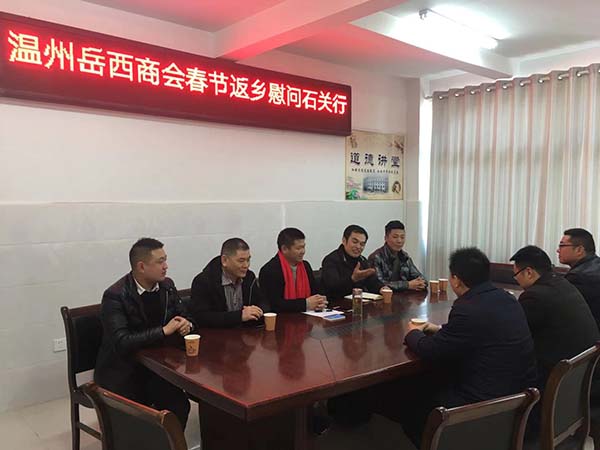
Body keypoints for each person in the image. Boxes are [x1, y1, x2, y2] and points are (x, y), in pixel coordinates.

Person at [403, 247, 536, 446]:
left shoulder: (467, 308)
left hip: (482, 404)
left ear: (456, 279)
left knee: (410, 406)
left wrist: (412, 332)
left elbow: (432, 351)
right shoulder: (507, 299)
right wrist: (439, 329)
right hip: (518, 396)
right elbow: (478, 333)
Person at [94, 238, 193, 428]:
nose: (166, 266)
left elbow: (186, 315)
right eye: (160, 262)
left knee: (179, 405)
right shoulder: (115, 295)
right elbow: (122, 342)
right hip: (123, 371)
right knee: (138, 421)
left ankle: (169, 442)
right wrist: (163, 331)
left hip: (157, 366)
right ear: (141, 266)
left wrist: (186, 324)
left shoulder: (166, 286)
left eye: (165, 260)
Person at [511, 245, 599, 389]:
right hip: (582, 370)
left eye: (516, 275)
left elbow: (516, 335)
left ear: (528, 272)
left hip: (557, 376)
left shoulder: (534, 296)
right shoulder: (562, 283)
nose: (516, 280)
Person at [190, 238, 269, 328]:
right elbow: (201, 317)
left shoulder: (249, 277)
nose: (246, 265)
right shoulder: (203, 281)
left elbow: (263, 302)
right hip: (218, 334)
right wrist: (239, 316)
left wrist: (258, 310)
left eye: (248, 260)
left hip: (246, 332)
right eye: (241, 261)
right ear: (224, 260)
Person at [259, 227, 327, 312]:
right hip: (282, 318)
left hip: (308, 315)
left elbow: (315, 293)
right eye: (298, 248)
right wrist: (305, 304)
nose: (303, 251)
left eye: (303, 247)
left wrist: (319, 301)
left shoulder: (305, 266)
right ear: (284, 249)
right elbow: (275, 305)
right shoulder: (270, 270)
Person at [321, 224, 385, 298]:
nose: (358, 247)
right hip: (336, 303)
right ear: (344, 241)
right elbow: (332, 288)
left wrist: (382, 288)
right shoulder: (331, 260)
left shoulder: (362, 260)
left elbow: (372, 282)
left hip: (359, 301)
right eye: (355, 242)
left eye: (362, 244)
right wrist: (352, 279)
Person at [558, 228, 600, 328]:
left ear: (579, 250)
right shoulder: (596, 265)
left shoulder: (579, 277)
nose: (558, 250)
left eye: (562, 246)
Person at [368, 220, 427, 291]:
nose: (399, 241)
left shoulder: (405, 256)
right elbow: (379, 285)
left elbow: (421, 278)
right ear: (386, 238)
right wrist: (407, 285)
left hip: (404, 296)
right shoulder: (376, 257)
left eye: (402, 237)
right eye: (395, 237)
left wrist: (420, 283)